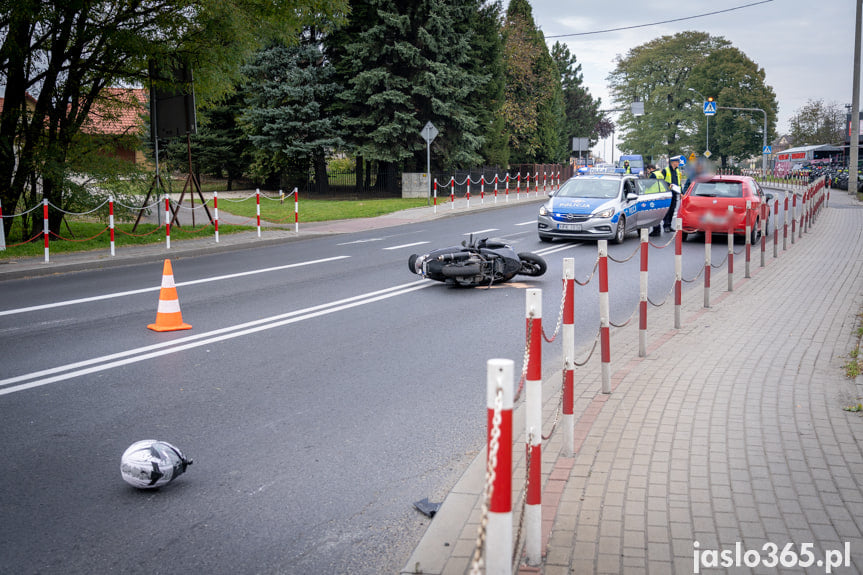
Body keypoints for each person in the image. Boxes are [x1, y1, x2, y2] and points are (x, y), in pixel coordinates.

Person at [655, 155, 686, 232]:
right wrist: (669, 184)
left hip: (675, 193)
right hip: (668, 193)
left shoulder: (677, 171)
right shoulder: (666, 170)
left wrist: (681, 192)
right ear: (673, 162)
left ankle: (669, 225)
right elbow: (661, 181)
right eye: (677, 162)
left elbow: (679, 183)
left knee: (672, 209)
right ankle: (666, 225)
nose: (678, 163)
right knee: (667, 210)